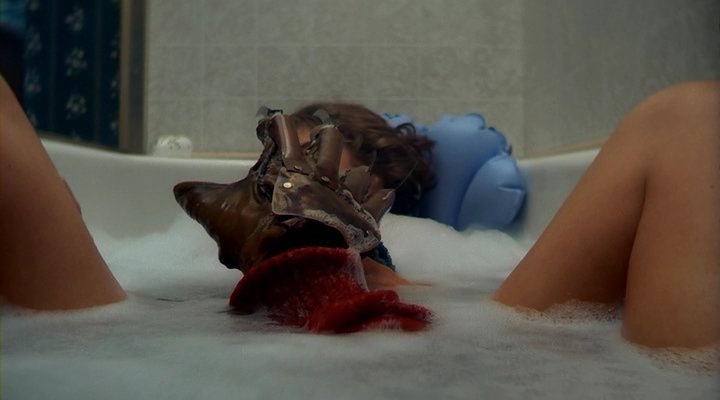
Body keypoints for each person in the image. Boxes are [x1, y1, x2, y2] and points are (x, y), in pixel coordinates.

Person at [1, 73, 717, 349]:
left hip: (454, 345)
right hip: (150, 347)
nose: (276, 171)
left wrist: (369, 271)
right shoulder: (173, 256)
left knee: (691, 117)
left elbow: (479, 323)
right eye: (270, 166)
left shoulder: (434, 250)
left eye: (306, 150)